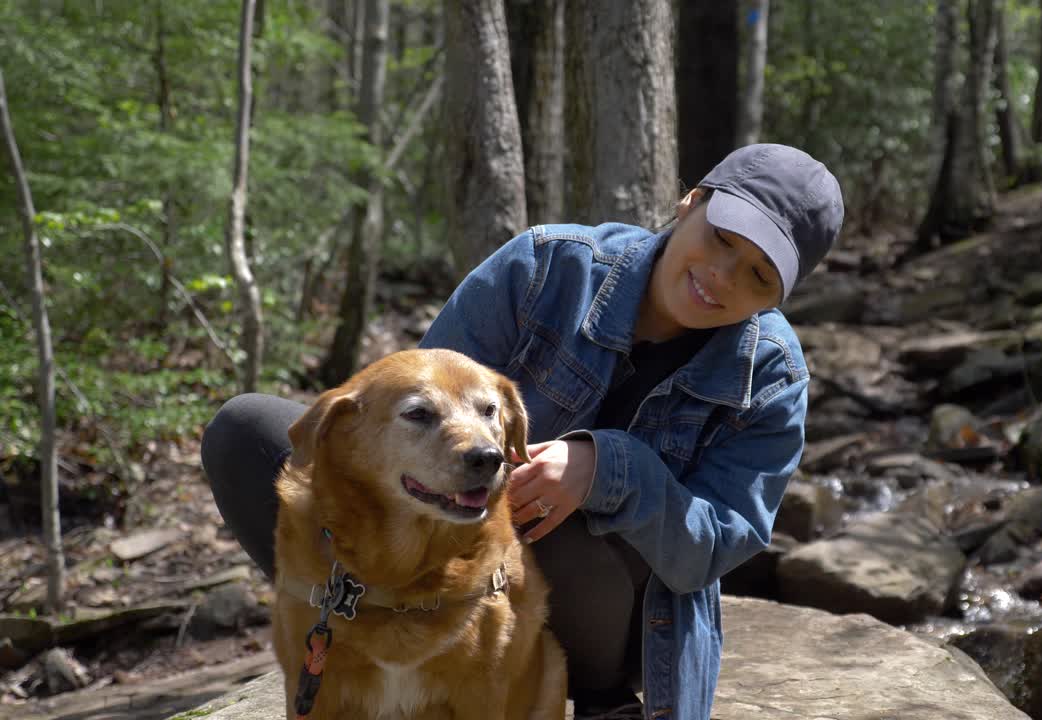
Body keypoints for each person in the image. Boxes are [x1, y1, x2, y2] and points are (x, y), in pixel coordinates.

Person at [201, 143, 843, 720]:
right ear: (690, 202)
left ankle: (600, 701)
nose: (723, 276)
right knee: (248, 433)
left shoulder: (772, 375)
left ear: (778, 298)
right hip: (444, 565)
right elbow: (419, 404)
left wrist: (607, 470)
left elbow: (718, 544)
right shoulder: (544, 266)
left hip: (608, 621)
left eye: (759, 275)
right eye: (723, 238)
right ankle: (363, 638)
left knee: (535, 513)